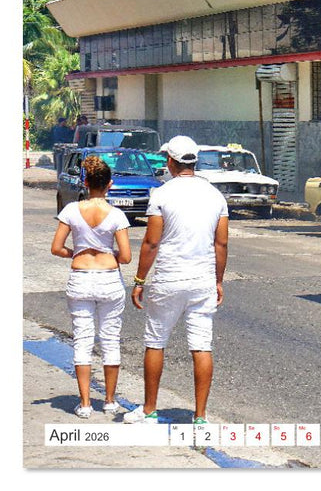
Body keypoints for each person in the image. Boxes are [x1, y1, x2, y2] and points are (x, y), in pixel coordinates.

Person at [124, 135, 229, 425]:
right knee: (201, 346)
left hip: (169, 278)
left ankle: (149, 410)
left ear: (171, 161)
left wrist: (139, 280)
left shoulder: (162, 194)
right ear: (194, 161)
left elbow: (151, 243)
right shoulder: (215, 196)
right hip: (202, 280)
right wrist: (218, 281)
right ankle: (199, 416)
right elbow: (221, 244)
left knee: (156, 342)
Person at [51, 155, 132, 418]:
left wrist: (75, 252)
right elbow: (127, 256)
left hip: (81, 278)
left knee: (82, 340)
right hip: (109, 278)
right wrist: (109, 253)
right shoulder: (117, 214)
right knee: (110, 340)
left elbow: (56, 248)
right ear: (109, 184)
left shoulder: (72, 211)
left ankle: (85, 404)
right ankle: (109, 401)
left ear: (85, 182)